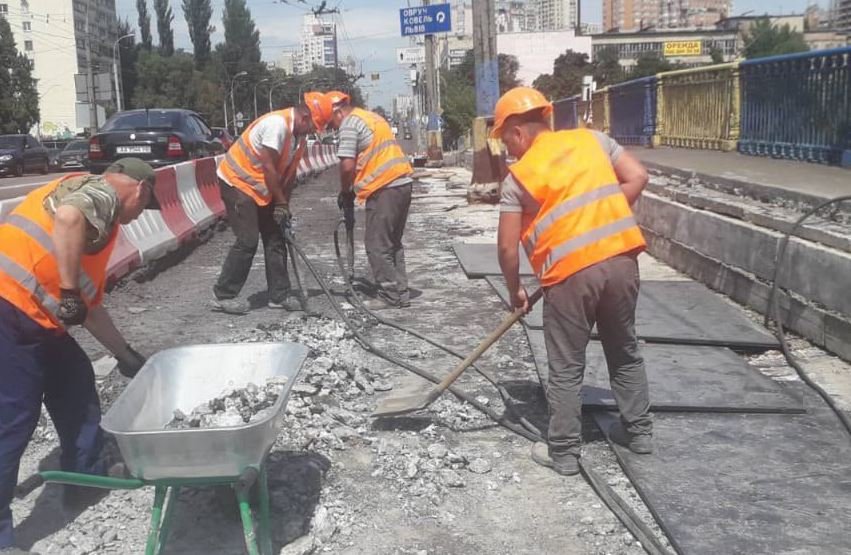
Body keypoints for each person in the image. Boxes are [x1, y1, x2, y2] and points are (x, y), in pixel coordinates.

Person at [493, 87, 653, 477]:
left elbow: (507, 248)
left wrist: (515, 289)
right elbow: (638, 176)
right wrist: (604, 216)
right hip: (621, 261)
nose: (507, 151)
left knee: (566, 364)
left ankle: (563, 452)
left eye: (505, 141)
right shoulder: (593, 140)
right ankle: (640, 433)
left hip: (570, 277)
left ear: (517, 132)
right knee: (624, 348)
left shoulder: (519, 178)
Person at [0, 159, 156, 553]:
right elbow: (68, 218)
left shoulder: (94, 213)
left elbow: (89, 308)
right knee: (13, 419)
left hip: (33, 315)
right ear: (140, 191)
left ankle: (84, 476)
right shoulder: (101, 196)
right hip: (8, 310)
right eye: (144, 207)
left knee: (75, 380)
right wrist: (68, 294)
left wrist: (126, 355)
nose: (138, 217)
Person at [212, 92, 333, 314]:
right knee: (248, 240)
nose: (314, 131)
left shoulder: (299, 138)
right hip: (237, 183)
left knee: (276, 236)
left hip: (262, 188)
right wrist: (278, 202)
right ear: (305, 116)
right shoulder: (276, 125)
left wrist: (284, 207)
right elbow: (268, 168)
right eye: (314, 125)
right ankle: (224, 295)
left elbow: (288, 175)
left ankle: (280, 295)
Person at [326, 90, 415, 309]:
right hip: (401, 183)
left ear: (337, 112)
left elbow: (347, 165)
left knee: (376, 244)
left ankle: (389, 295)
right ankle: (400, 292)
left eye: (331, 122)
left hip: (385, 187)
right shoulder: (372, 117)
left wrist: (346, 191)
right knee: (392, 243)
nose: (333, 127)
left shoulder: (349, 124)